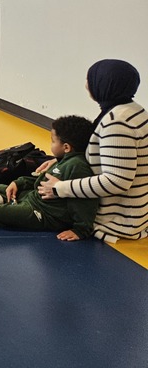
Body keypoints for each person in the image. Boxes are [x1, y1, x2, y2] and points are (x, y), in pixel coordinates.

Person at [37, 59, 148, 242]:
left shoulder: (117, 122)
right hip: (135, 212)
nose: (87, 84)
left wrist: (60, 188)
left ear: (106, 84)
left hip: (117, 220)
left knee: (37, 202)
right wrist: (61, 162)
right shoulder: (133, 110)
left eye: (92, 79)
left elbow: (117, 181)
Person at [0, 116, 100, 237]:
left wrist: (80, 230)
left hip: (42, 214)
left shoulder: (77, 167)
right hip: (31, 197)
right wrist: (18, 182)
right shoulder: (61, 161)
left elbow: (84, 201)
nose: (50, 145)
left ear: (66, 147)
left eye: (52, 141)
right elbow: (39, 181)